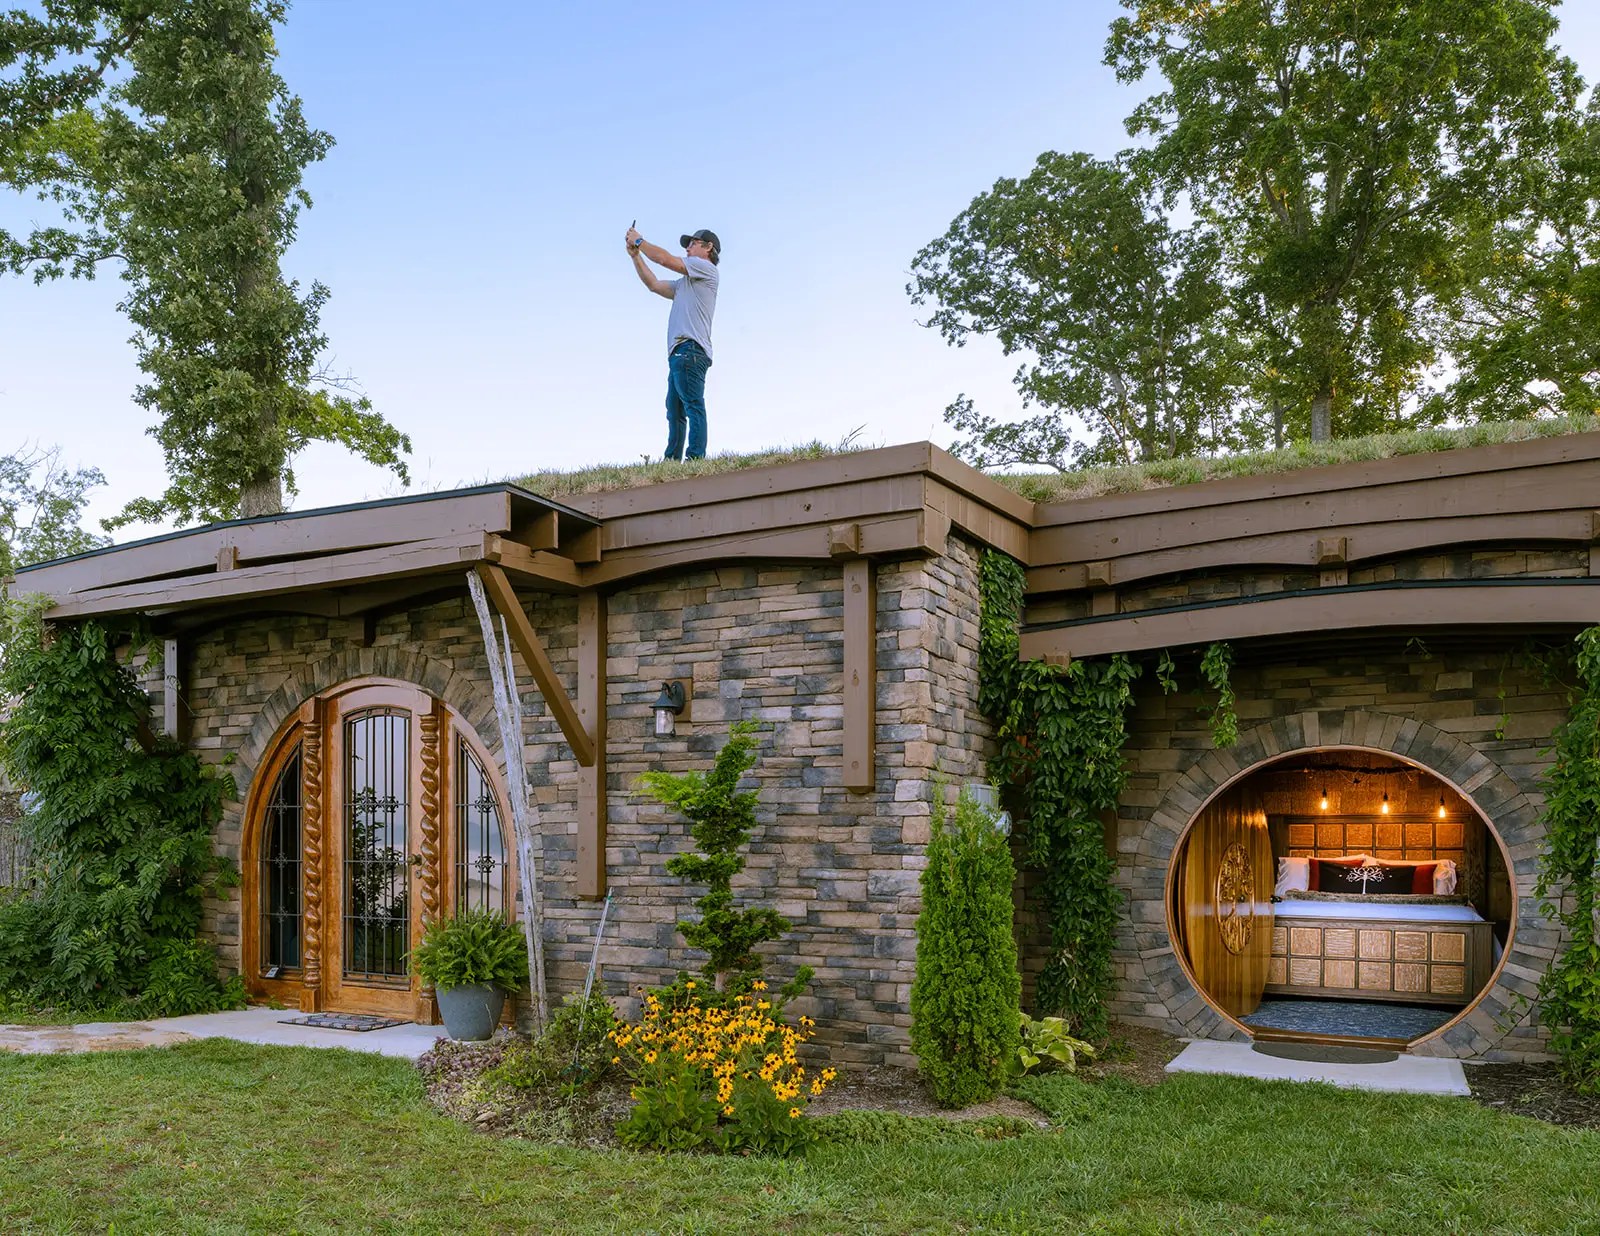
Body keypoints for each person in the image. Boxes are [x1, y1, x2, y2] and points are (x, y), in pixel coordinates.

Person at [625, 224, 721, 460]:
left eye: (693, 243)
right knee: (675, 410)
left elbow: (666, 260)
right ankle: (672, 461)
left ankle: (695, 458)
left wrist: (639, 242)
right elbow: (654, 285)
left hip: (691, 349)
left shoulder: (705, 268)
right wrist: (636, 257)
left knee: (692, 404)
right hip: (681, 352)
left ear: (708, 248)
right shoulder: (685, 284)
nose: (688, 248)